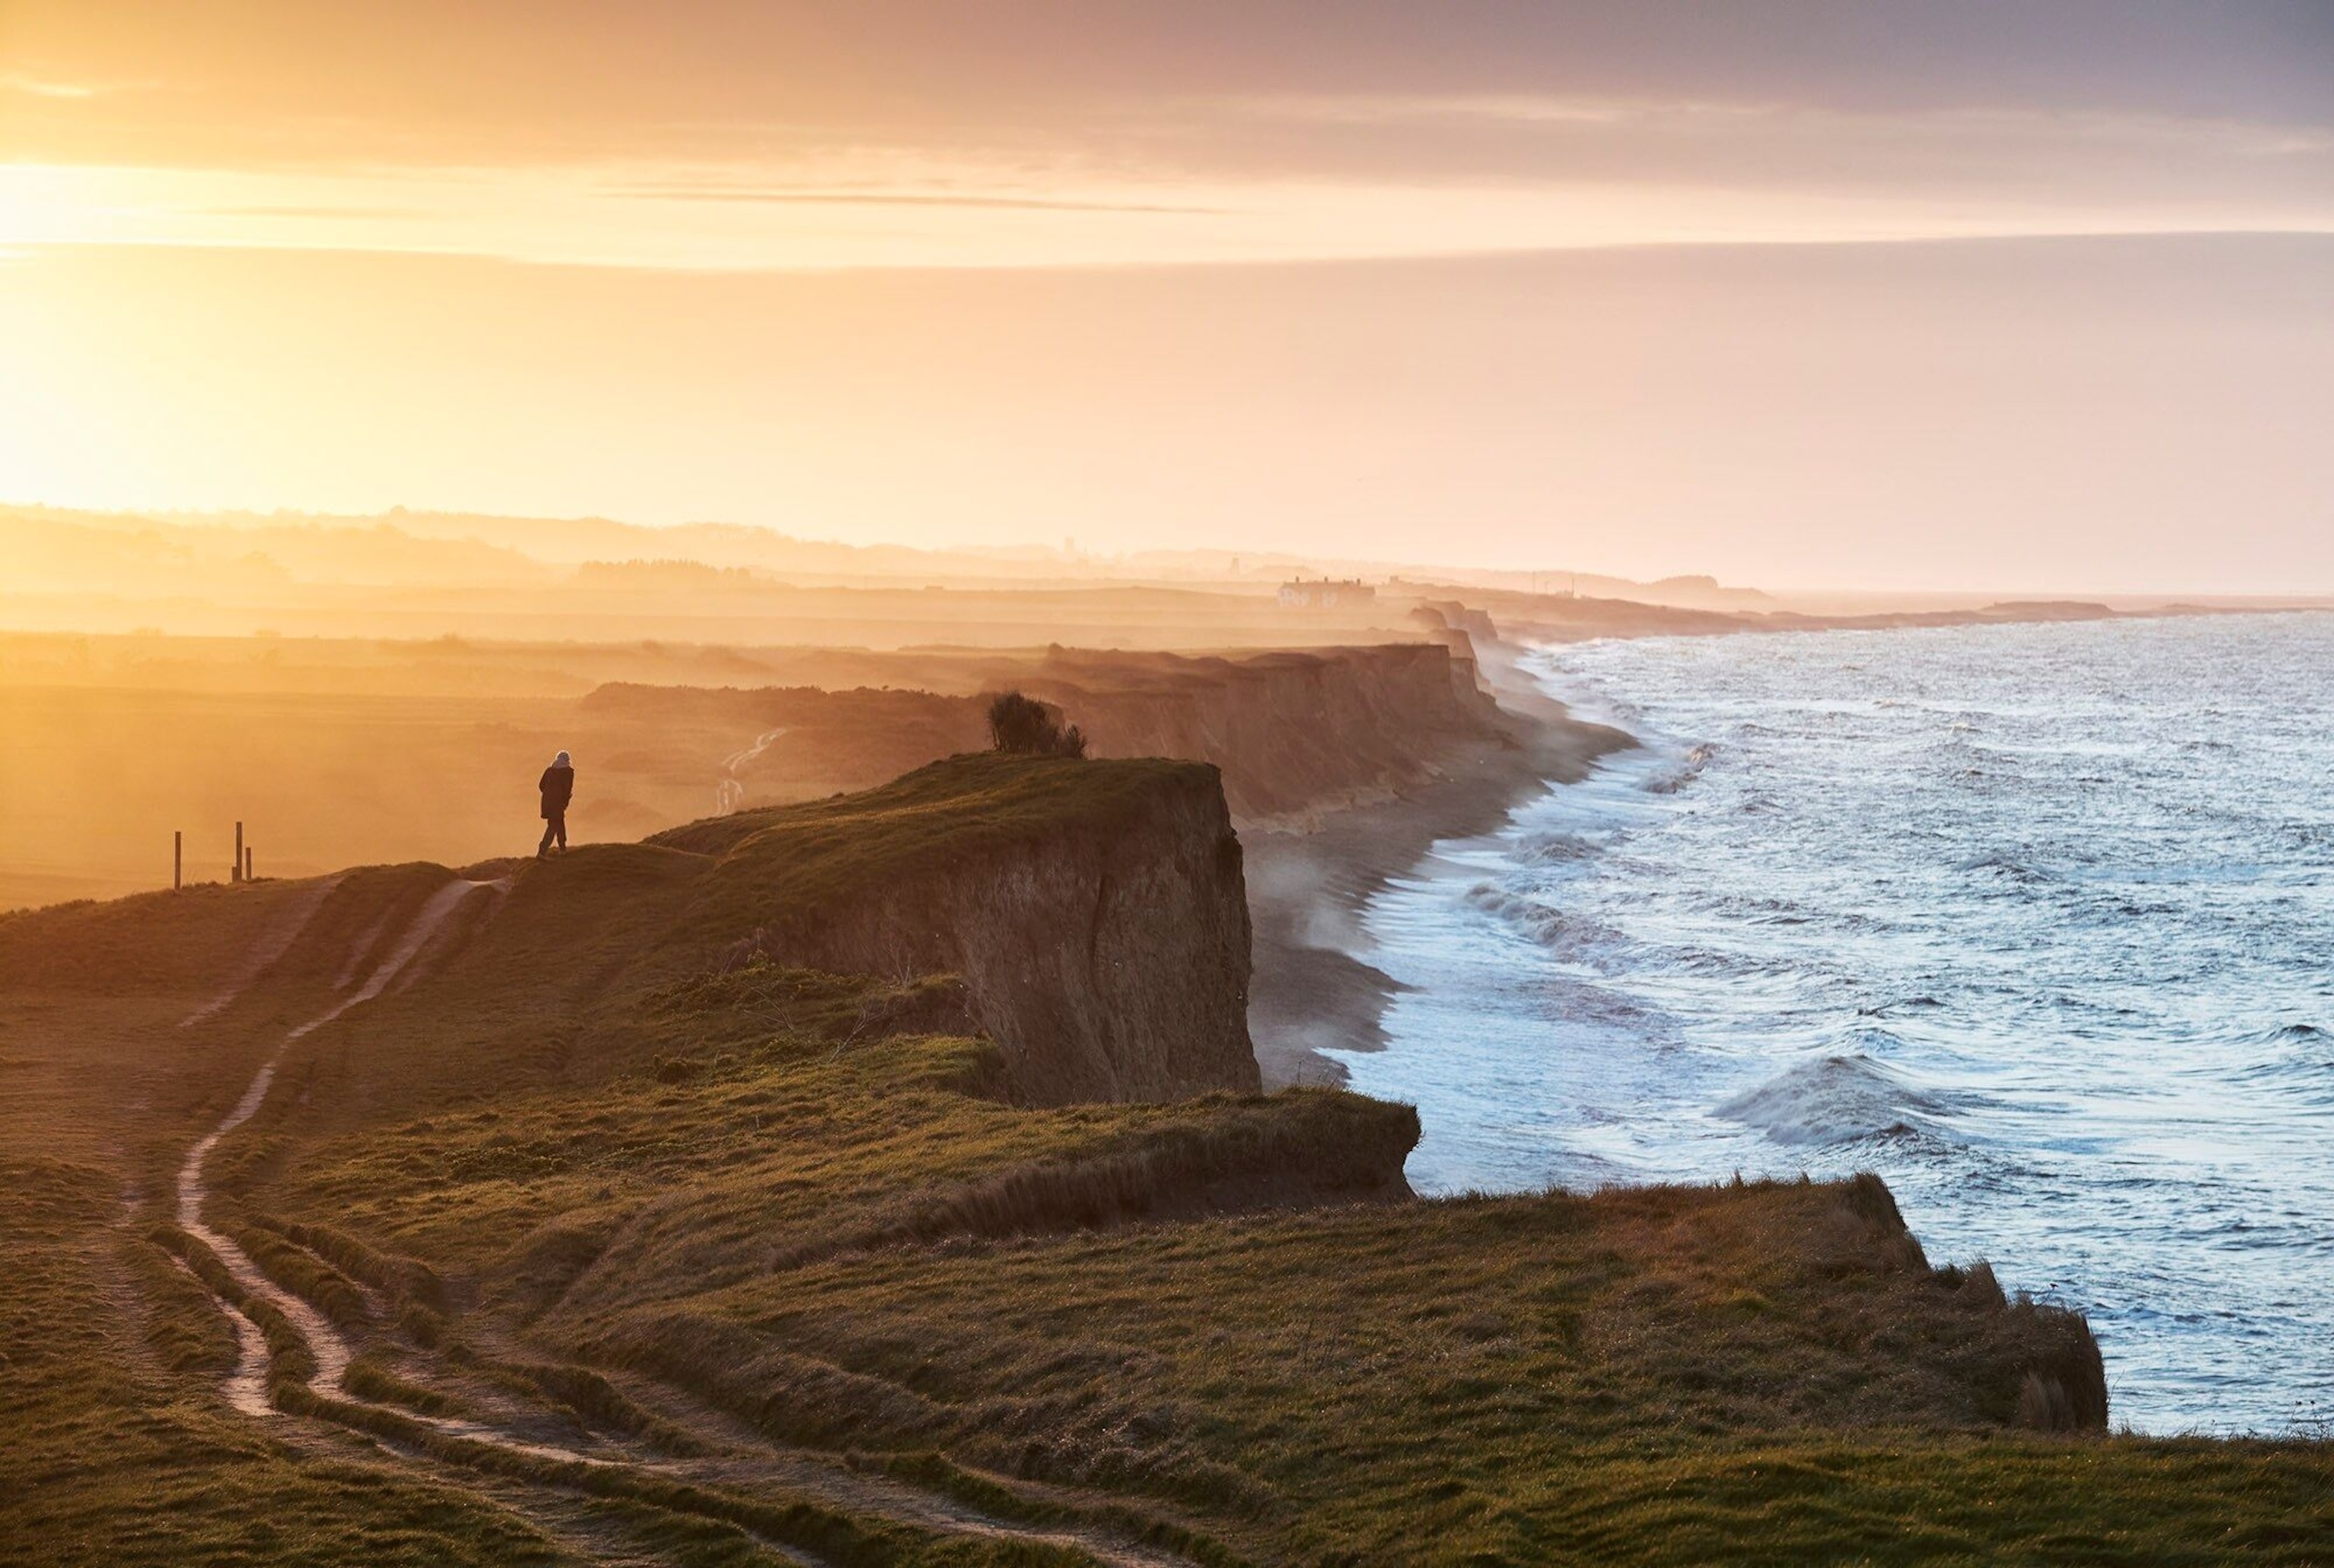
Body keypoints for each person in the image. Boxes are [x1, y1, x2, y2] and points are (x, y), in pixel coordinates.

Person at [538, 750, 575, 857]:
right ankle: (542, 851)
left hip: (547, 803)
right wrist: (564, 801)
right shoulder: (568, 772)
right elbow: (567, 789)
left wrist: (548, 795)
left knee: (558, 823)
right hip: (558, 803)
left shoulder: (550, 770)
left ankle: (562, 848)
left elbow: (541, 785)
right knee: (554, 826)